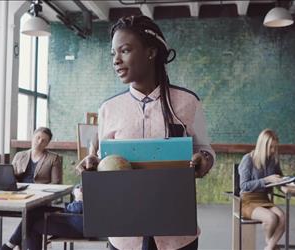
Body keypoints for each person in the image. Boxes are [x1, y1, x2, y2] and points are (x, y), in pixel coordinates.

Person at [77, 15, 215, 250]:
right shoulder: (109, 109)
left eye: (125, 50)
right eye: (113, 54)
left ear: (151, 53)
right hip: (123, 234)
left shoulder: (188, 102)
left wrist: (203, 160)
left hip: (176, 235)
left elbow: (206, 150)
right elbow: (102, 161)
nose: (116, 60)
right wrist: (91, 165)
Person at [0, 127, 62, 250]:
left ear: (47, 143)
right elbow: (9, 177)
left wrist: (36, 189)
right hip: (16, 196)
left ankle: (9, 245)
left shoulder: (54, 158)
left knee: (32, 211)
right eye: (38, 138)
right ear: (32, 137)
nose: (39, 142)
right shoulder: (20, 155)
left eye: (44, 140)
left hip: (37, 200)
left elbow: (56, 183)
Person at [238, 129, 285, 250]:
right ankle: (271, 245)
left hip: (264, 199)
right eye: (270, 147)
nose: (273, 151)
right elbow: (243, 185)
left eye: (275, 147)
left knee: (283, 217)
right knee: (271, 218)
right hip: (248, 201)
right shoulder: (248, 159)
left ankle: (269, 247)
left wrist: (288, 184)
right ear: (262, 145)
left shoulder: (273, 160)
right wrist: (267, 180)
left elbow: (279, 179)